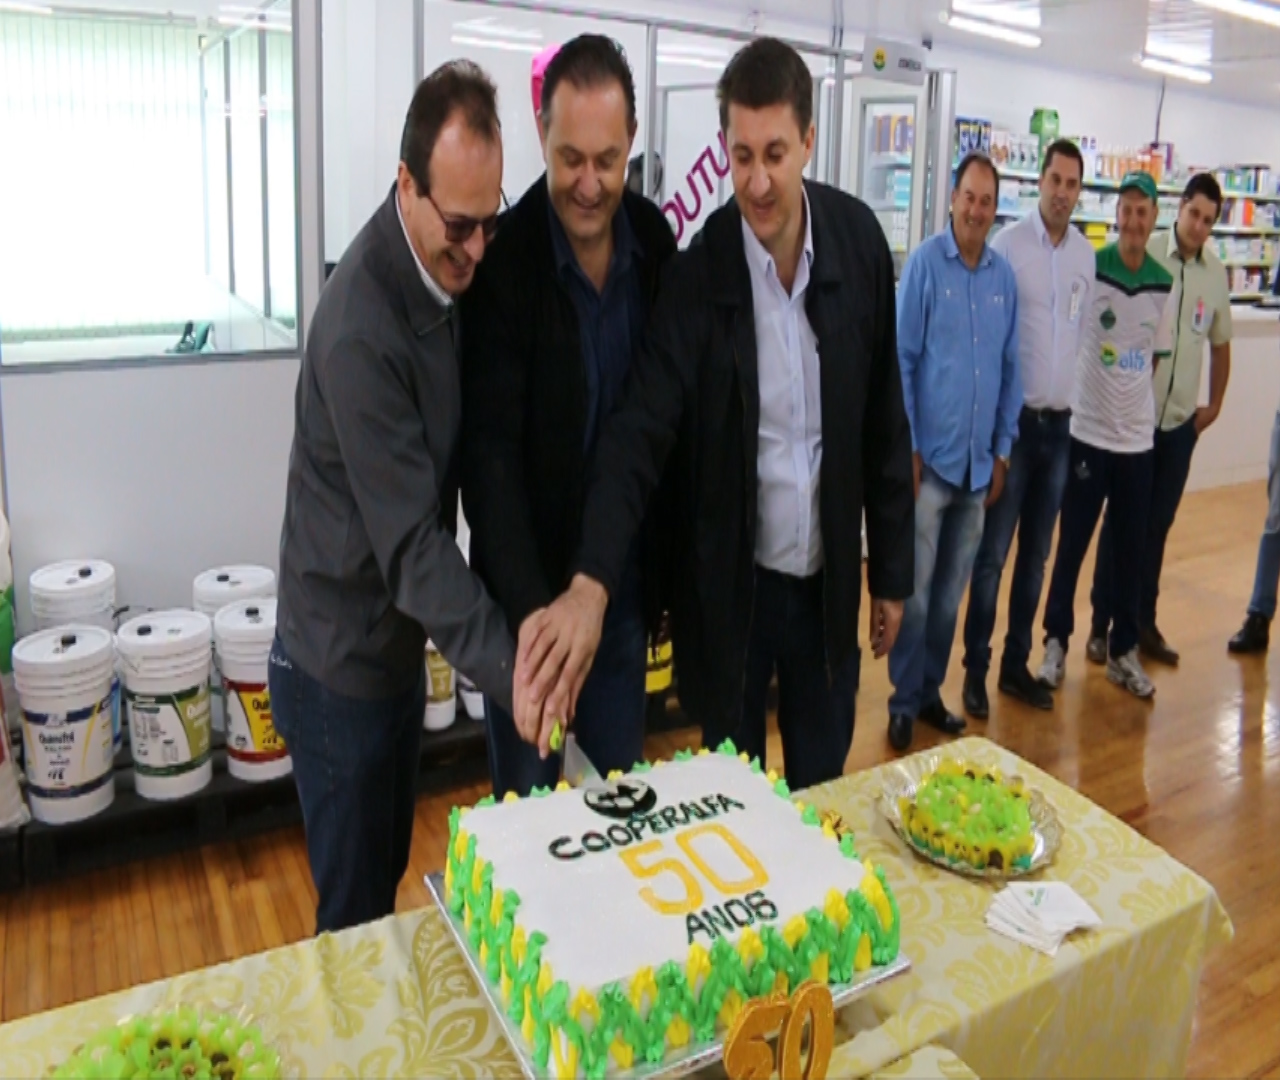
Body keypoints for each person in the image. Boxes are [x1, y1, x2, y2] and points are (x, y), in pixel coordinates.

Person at [512, 37, 914, 790]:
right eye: (741, 156)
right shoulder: (699, 276)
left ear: (809, 141)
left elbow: (883, 417)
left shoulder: (859, 244)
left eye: (775, 154)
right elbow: (639, 432)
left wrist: (890, 570)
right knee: (735, 793)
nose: (757, 182)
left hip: (826, 589)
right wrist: (591, 583)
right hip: (735, 596)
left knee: (823, 785)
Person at [270, 62, 514, 934]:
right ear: (407, 183)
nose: (477, 250)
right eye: (460, 226)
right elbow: (413, 549)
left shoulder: (445, 275)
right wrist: (517, 674)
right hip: (337, 672)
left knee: (383, 879)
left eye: (490, 222)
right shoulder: (360, 329)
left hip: (391, 655)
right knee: (355, 922)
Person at [461, 35, 676, 797]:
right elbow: (488, 463)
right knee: (528, 826)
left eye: (607, 161)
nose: (589, 184)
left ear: (633, 143)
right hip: (530, 615)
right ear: (541, 135)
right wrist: (535, 618)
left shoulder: (654, 244)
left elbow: (659, 432)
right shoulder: (505, 261)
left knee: (615, 813)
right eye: (569, 159)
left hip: (618, 603)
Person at [887, 153, 1022, 752]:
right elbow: (902, 361)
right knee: (915, 596)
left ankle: (928, 693)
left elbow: (1011, 369)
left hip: (977, 470)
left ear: (994, 210)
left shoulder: (1002, 280)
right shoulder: (924, 265)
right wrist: (910, 447)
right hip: (931, 465)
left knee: (948, 598)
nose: (976, 210)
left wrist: (1003, 451)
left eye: (986, 201)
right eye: (969, 197)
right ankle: (900, 701)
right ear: (952, 198)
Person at [960, 139, 1094, 719]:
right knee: (992, 555)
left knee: (1036, 555)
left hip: (1060, 429)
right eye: (1055, 180)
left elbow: (1079, 333)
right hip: (1015, 427)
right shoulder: (1009, 247)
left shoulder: (1085, 256)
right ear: (1040, 182)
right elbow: (993, 342)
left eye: (1072, 184)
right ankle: (975, 669)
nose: (1062, 192)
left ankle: (1016, 665)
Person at [1039, 172, 1176, 699]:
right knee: (1072, 543)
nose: (1134, 221)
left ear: (1153, 218)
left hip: (1136, 443)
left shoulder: (1163, 283)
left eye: (1143, 212)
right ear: (1116, 215)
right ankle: (1055, 643)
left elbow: (1154, 358)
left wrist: (1129, 405)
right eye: (1127, 211)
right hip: (1088, 434)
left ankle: (1123, 651)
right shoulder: (1092, 268)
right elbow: (1072, 334)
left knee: (1129, 551)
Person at [1089, 173, 1233, 666]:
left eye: (1209, 221)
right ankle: (1100, 624)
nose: (1199, 227)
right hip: (1134, 424)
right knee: (1119, 524)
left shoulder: (1215, 275)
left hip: (1178, 427)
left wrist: (1212, 407)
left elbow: (1220, 344)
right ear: (1179, 208)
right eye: (1194, 214)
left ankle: (1140, 623)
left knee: (1156, 527)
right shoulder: (1144, 250)